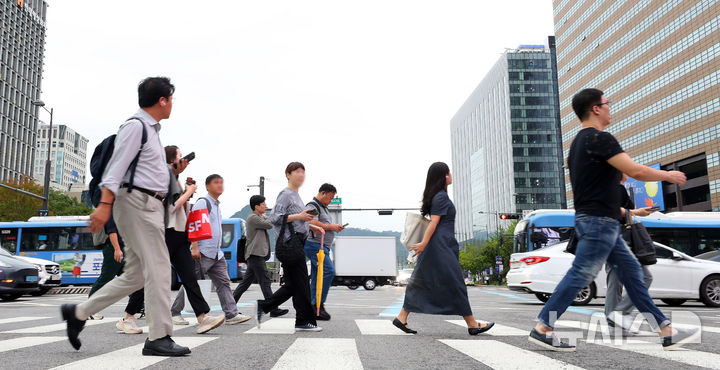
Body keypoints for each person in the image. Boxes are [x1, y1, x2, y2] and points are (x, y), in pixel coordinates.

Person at [528, 88, 699, 352]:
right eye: (607, 103)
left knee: (633, 274)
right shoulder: (600, 139)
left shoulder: (578, 143)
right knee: (580, 275)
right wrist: (669, 176)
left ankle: (666, 330)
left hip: (600, 221)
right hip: (599, 222)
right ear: (596, 108)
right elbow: (635, 171)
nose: (610, 108)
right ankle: (543, 326)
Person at [62, 77, 191, 356]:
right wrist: (105, 206)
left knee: (136, 275)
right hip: (137, 203)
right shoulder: (136, 127)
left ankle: (80, 312)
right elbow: (115, 169)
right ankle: (160, 336)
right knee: (158, 268)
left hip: (149, 205)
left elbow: (148, 173)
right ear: (163, 100)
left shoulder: (151, 131)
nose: (173, 104)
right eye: (172, 99)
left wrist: (174, 171)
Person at [393, 162, 494, 336]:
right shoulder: (440, 197)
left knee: (422, 281)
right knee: (455, 283)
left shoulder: (439, 196)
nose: (451, 175)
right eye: (449, 172)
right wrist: (424, 243)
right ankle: (472, 323)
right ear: (444, 176)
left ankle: (402, 317)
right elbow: (434, 222)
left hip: (441, 245)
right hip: (439, 246)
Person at [170, 174, 251, 325]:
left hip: (216, 253)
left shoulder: (217, 205)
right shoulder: (203, 202)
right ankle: (175, 312)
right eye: (216, 183)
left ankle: (231, 314)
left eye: (221, 182)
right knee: (191, 282)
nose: (220, 185)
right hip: (203, 251)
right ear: (207, 186)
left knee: (223, 282)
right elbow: (194, 225)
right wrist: (194, 247)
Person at [256, 162, 324, 332]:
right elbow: (274, 218)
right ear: (288, 174)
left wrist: (312, 225)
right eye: (297, 171)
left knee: (293, 284)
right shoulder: (286, 194)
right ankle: (303, 321)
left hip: (296, 243)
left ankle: (264, 306)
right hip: (289, 245)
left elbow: (297, 220)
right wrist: (299, 216)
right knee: (302, 283)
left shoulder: (297, 196)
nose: (301, 174)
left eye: (303, 172)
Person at [164, 146, 226, 334]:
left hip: (180, 235)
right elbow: (172, 207)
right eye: (181, 157)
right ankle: (129, 315)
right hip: (166, 234)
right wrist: (189, 191)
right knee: (150, 277)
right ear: (172, 160)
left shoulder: (176, 179)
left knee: (190, 278)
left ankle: (202, 317)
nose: (184, 160)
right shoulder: (164, 177)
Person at [604, 174, 655, 333]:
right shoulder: (616, 188)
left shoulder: (610, 187)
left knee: (614, 282)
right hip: (619, 240)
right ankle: (619, 314)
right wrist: (637, 212)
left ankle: (614, 324)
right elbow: (613, 212)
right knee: (645, 277)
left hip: (609, 238)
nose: (628, 173)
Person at [86, 212, 146, 333]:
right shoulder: (113, 209)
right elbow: (112, 230)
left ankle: (137, 307)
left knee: (131, 279)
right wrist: (117, 249)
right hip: (114, 248)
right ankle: (89, 309)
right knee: (105, 278)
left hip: (122, 248)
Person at [231, 195, 289, 318]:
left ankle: (230, 307)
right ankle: (273, 308)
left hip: (256, 255)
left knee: (245, 284)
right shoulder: (253, 218)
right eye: (263, 204)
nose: (265, 205)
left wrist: (264, 216)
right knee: (265, 281)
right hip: (255, 255)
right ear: (256, 206)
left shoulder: (257, 217)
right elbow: (269, 224)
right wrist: (265, 217)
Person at [305, 183, 343, 321]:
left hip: (322, 247)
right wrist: (330, 226)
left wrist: (333, 227)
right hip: (315, 245)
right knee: (328, 271)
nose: (331, 200)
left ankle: (313, 306)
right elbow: (313, 223)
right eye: (330, 197)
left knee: (317, 276)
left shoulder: (323, 208)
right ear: (323, 193)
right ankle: (318, 304)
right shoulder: (313, 205)